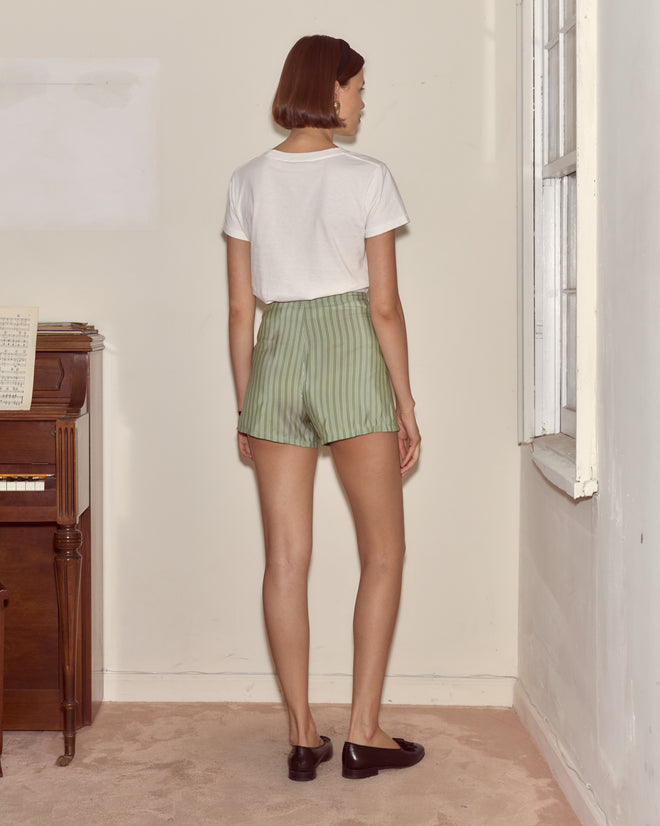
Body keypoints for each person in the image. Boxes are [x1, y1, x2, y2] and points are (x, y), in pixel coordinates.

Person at [223, 34, 423, 781]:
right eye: (359, 88)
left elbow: (241, 306)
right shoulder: (367, 177)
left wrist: (248, 404)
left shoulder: (247, 179)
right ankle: (364, 733)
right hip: (345, 346)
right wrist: (405, 402)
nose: (363, 101)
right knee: (384, 551)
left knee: (284, 557)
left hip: (276, 354)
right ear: (328, 88)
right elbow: (385, 306)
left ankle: (304, 734)